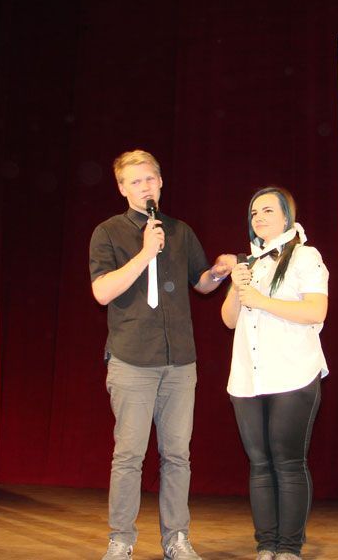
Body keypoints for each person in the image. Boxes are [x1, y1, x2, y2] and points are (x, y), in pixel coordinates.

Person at [89, 150, 235, 560]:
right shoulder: (108, 232)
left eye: (150, 179)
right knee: (129, 456)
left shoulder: (180, 231)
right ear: (122, 188)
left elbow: (201, 284)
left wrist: (218, 273)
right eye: (135, 181)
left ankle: (177, 539)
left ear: (161, 182)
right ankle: (121, 540)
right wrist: (144, 254)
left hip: (179, 361)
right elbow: (101, 292)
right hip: (132, 359)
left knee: (177, 456)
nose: (145, 187)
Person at [221, 186, 329, 560]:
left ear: (287, 216)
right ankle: (266, 544)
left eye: (268, 210)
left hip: (292, 372)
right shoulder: (249, 263)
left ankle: (289, 547)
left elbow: (316, 311)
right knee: (260, 464)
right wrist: (237, 288)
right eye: (254, 213)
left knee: (288, 462)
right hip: (248, 377)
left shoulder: (305, 256)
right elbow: (228, 319)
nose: (259, 218)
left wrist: (262, 301)